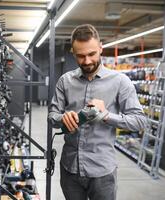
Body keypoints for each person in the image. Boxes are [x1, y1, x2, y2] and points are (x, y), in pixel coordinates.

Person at [48, 24, 147, 200]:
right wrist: (63, 118)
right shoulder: (65, 81)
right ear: (73, 52)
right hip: (70, 169)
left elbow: (139, 121)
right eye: (80, 56)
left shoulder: (120, 82)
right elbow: (52, 116)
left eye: (92, 54)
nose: (86, 61)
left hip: (102, 173)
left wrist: (106, 115)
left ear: (101, 48)